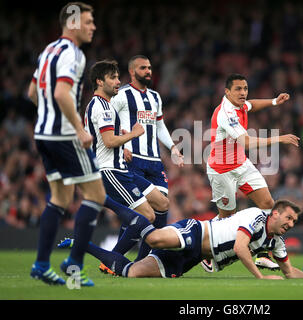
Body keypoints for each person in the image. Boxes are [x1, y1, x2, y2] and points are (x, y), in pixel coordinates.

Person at [27, 2, 157, 287]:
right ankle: (76, 261)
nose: (93, 27)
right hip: (64, 137)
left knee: (60, 200)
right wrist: (77, 128)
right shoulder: (74, 54)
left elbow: (33, 93)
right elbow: (62, 92)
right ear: (72, 23)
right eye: (88, 22)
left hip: (43, 134)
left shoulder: (48, 51)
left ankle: (42, 264)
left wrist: (49, 118)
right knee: (96, 197)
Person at [58, 200, 303, 280]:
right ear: (274, 213)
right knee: (154, 238)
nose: (290, 225)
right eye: (287, 218)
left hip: (193, 259)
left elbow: (289, 272)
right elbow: (240, 247)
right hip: (196, 232)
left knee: (132, 273)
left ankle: (80, 245)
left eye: (294, 223)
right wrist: (260, 277)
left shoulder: (276, 242)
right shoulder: (256, 217)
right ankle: (104, 199)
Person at [204, 73, 300, 271]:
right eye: (238, 89)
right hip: (221, 170)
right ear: (227, 92)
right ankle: (204, 251)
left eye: (245, 88)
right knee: (226, 218)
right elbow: (246, 142)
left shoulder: (241, 105)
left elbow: (252, 105)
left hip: (241, 164)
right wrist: (279, 139)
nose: (243, 93)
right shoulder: (226, 113)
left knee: (268, 204)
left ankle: (263, 254)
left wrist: (274, 101)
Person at [84, 60, 170, 272]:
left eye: (117, 77)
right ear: (99, 81)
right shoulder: (102, 106)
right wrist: (133, 134)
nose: (117, 81)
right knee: (147, 216)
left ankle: (125, 260)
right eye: (112, 78)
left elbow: (104, 139)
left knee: (160, 205)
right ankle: (114, 260)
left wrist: (122, 145)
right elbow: (108, 141)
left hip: (120, 168)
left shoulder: (103, 106)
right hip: (110, 171)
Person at [110, 55, 183, 257]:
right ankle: (115, 257)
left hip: (154, 162)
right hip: (132, 159)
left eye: (150, 67)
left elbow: (159, 126)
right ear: (132, 72)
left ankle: (142, 260)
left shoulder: (155, 97)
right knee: (140, 212)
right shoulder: (122, 95)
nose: (148, 71)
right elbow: (109, 122)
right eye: (143, 68)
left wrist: (173, 147)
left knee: (159, 211)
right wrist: (120, 146)